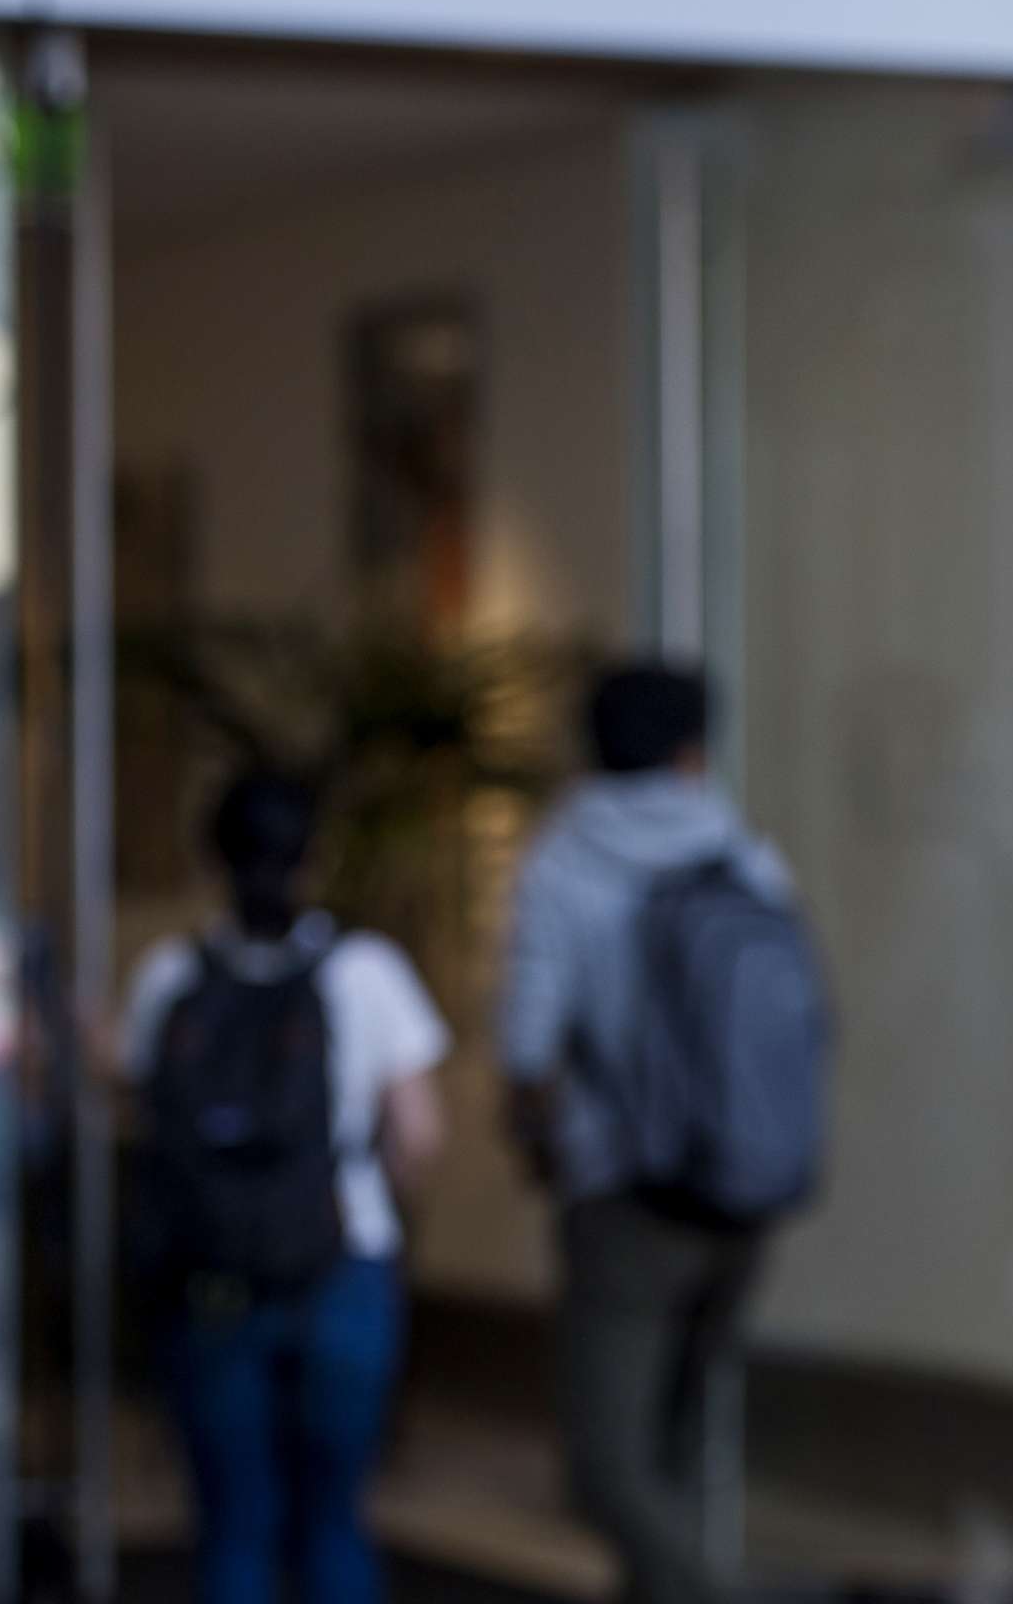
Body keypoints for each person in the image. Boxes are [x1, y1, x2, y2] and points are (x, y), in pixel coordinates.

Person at [500, 664, 805, 1604]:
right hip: (745, 1196)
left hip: (625, 1199)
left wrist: (542, 1148)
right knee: (670, 1455)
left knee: (605, 1469)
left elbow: (526, 1043)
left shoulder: (562, 862)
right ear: (692, 753)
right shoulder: (748, 857)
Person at [120, 771, 447, 1604]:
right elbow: (419, 1134)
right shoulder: (367, 970)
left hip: (213, 1272)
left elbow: (139, 1113)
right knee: (333, 1518)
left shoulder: (169, 975)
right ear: (313, 857)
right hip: (344, 1258)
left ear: (215, 859)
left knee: (235, 1522)